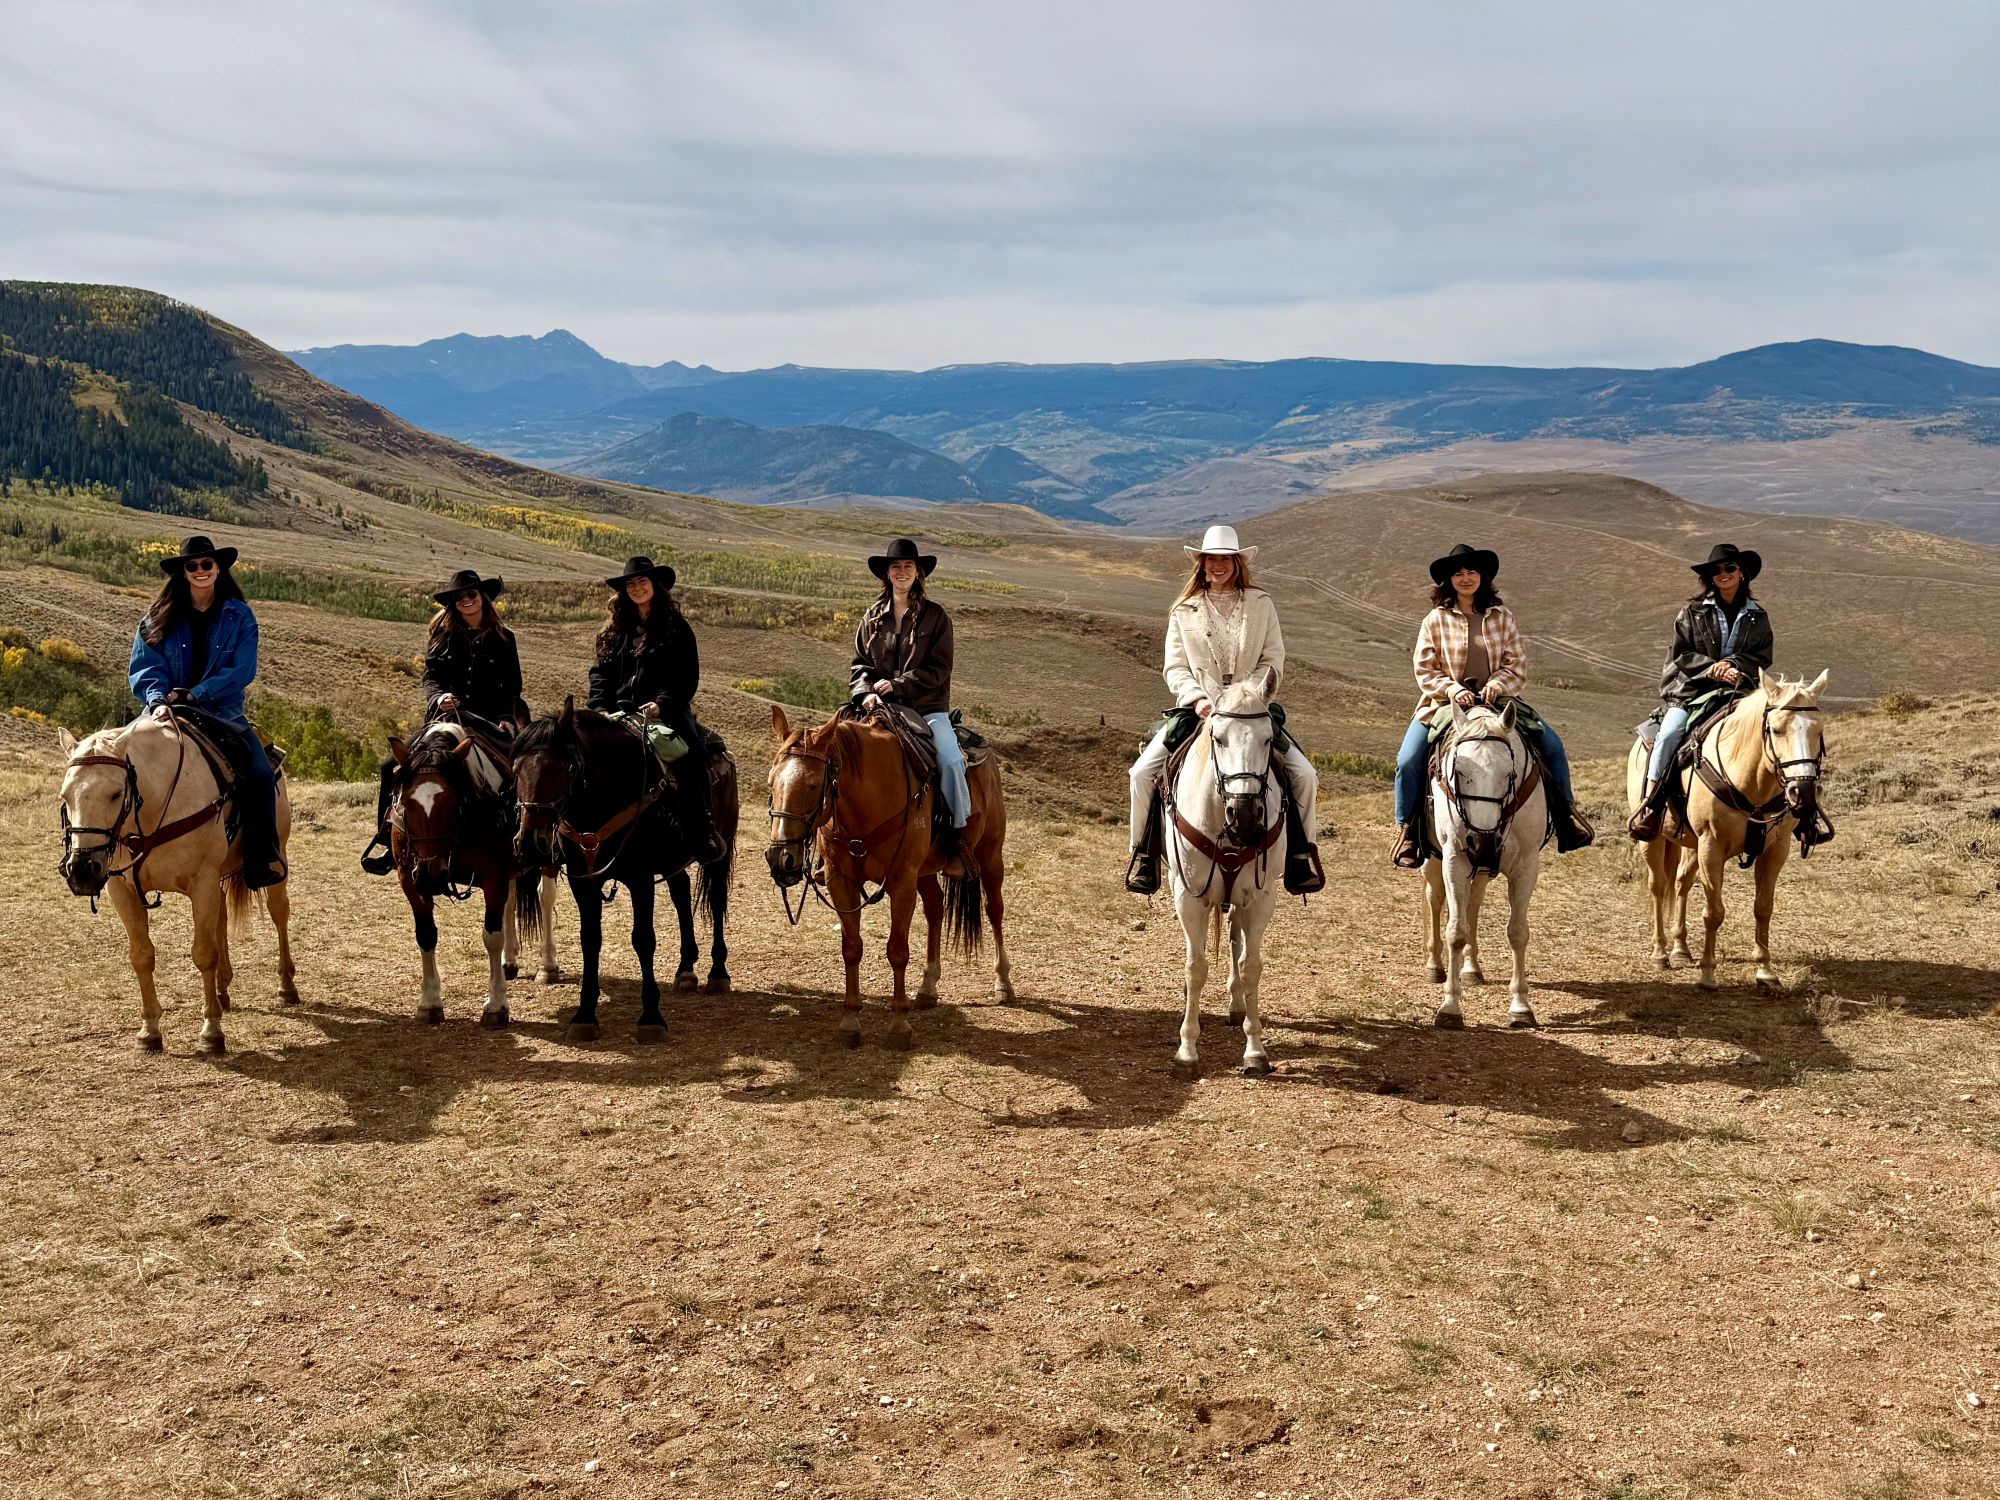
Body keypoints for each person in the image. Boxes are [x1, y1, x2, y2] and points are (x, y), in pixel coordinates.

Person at [1125, 524, 1322, 896]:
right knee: (1141, 773)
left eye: (1225, 559)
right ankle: (1144, 856)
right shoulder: (1184, 611)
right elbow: (1175, 666)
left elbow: (1273, 658)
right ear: (1201, 563)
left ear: (1237, 562)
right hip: (1199, 709)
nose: (1218, 565)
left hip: (1249, 710)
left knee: (1305, 776)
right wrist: (1197, 698)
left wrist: (1251, 694)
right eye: (1211, 558)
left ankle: (1300, 855)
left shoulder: (1261, 604)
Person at [1390, 543, 1594, 869]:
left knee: (1553, 746)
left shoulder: (1502, 616)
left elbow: (1517, 664)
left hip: (1499, 701)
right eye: (1458, 573)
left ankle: (1566, 819)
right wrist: (1454, 689)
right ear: (1448, 580)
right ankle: (1408, 832)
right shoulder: (1435, 620)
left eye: (1472, 571)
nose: (1466, 578)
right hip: (1443, 704)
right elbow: (1425, 669)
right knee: (1408, 758)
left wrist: (1495, 685)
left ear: (1483, 576)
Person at [127, 534, 284, 888]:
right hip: (164, 711)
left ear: (218, 569)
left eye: (206, 565)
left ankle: (260, 858)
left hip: (220, 712)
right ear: (183, 572)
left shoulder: (240, 617)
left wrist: (196, 694)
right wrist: (156, 701)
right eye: (192, 565)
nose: (200, 570)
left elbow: (242, 670)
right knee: (118, 764)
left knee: (259, 774)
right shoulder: (156, 617)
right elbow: (144, 668)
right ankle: (113, 852)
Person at [360, 568, 523, 874]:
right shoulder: (442, 638)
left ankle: (520, 841)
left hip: (487, 723)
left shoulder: (504, 639)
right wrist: (439, 698)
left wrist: (506, 717)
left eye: (471, 594)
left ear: (483, 598)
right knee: (389, 767)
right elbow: (431, 678)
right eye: (459, 597)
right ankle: (387, 839)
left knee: (517, 769)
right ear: (452, 604)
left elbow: (512, 685)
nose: (466, 601)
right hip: (444, 719)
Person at [1627, 542, 1773, 841]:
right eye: (1716, 570)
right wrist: (1713, 668)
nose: (1723, 574)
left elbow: (1762, 655)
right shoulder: (1691, 613)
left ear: (1741, 573)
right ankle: (1652, 805)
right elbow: (1682, 654)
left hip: (1740, 689)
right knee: (1669, 734)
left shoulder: (1758, 616)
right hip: (1691, 690)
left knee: (1781, 730)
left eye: (1729, 568)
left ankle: (1791, 810)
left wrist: (1733, 665)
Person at [586, 555, 723, 864]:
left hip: (666, 712)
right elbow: (599, 673)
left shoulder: (676, 628)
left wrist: (662, 704)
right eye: (631, 584)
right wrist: (598, 707)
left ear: (655, 586)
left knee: (691, 757)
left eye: (642, 582)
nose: (636, 588)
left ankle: (701, 828)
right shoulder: (614, 630)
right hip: (616, 713)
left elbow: (687, 676)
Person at [849, 538, 971, 876]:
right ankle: (826, 848)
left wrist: (899, 685)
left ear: (918, 573)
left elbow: (939, 669)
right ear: (886, 574)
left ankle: (954, 839)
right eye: (895, 567)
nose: (902, 572)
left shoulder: (936, 617)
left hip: (927, 709)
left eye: (908, 567)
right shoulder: (871, 618)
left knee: (950, 759)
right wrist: (865, 694)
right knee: (831, 753)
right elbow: (859, 665)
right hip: (878, 709)